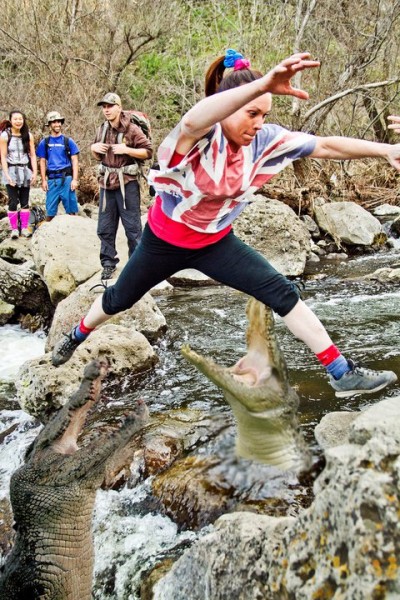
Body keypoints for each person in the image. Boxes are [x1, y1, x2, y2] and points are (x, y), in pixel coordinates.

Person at [52, 50, 398, 399]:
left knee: (283, 293)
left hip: (215, 244)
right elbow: (191, 122)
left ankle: (341, 372)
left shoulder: (264, 141)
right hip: (162, 243)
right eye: (252, 112)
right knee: (117, 300)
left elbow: (323, 145)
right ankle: (76, 334)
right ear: (228, 106)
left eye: (264, 114)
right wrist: (262, 84)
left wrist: (384, 150)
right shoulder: (197, 138)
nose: (259, 123)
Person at [91, 92, 153, 281]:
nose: (107, 110)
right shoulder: (102, 129)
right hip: (106, 182)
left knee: (132, 228)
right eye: (104, 107)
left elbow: (148, 151)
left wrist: (127, 150)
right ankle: (108, 264)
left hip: (127, 183)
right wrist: (93, 149)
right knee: (105, 227)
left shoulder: (132, 129)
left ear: (119, 107)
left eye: (110, 106)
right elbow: (97, 156)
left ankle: (137, 266)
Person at [36, 111, 79, 221]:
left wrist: (75, 180)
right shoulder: (44, 142)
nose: (57, 124)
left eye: (59, 122)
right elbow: (42, 161)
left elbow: (75, 160)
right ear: (49, 125)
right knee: (50, 213)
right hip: (52, 181)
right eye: (54, 122)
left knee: (72, 212)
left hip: (67, 179)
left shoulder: (68, 141)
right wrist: (44, 180)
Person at [0, 110, 37, 238]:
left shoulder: (28, 135)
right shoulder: (5, 136)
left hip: (25, 170)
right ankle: (14, 229)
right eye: (15, 119)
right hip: (10, 170)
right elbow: (3, 156)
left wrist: (35, 172)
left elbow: (32, 155)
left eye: (20, 119)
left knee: (25, 201)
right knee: (12, 201)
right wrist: (7, 175)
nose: (18, 121)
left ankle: (25, 227)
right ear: (10, 120)